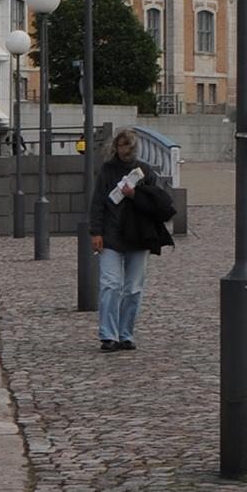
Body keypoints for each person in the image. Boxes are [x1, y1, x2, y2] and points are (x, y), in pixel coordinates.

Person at [88, 128, 177, 351]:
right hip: (111, 235)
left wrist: (135, 195)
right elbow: (98, 203)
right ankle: (109, 335)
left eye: (128, 145)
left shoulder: (145, 171)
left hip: (138, 235)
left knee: (133, 288)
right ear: (115, 147)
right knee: (110, 285)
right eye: (121, 145)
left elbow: (157, 204)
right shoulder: (107, 171)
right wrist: (96, 232)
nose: (124, 150)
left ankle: (126, 333)